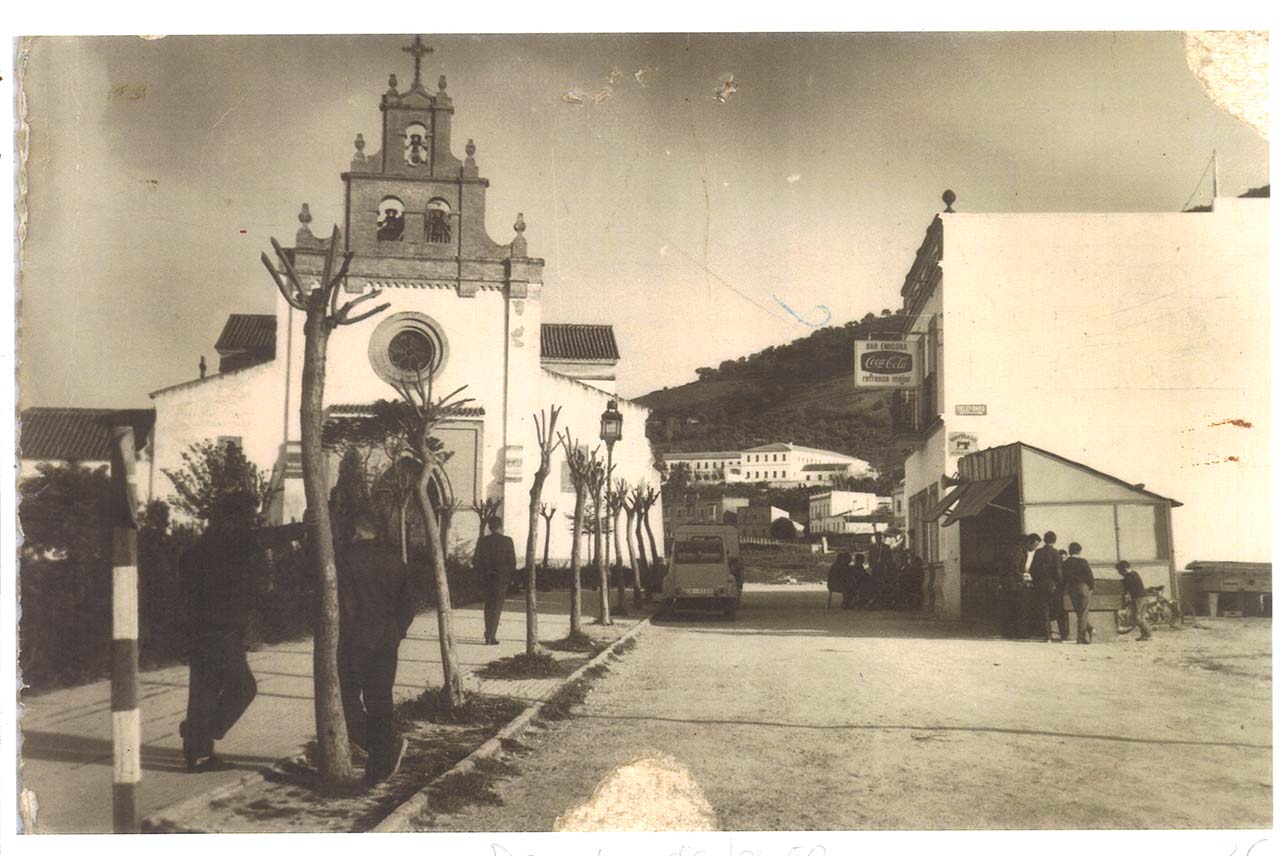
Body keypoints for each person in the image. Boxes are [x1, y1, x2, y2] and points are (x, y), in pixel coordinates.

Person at [179, 491, 305, 773]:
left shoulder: (203, 544)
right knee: (243, 688)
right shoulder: (229, 539)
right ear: (234, 516)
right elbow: (263, 539)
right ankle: (197, 734)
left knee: (204, 691)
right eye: (247, 514)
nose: (251, 519)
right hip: (222, 630)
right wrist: (304, 528)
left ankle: (198, 755)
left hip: (199, 630)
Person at [337, 512, 413, 784]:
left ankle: (381, 751)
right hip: (386, 641)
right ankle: (377, 767)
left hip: (353, 640)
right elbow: (408, 607)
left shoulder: (344, 560)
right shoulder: (395, 562)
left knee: (345, 698)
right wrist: (396, 632)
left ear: (356, 531)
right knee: (380, 700)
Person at [474, 516, 517, 645]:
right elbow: (512, 562)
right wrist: (511, 578)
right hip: (501, 579)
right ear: (500, 527)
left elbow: (475, 561)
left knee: (488, 606)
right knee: (497, 607)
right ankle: (491, 635)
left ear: (489, 527)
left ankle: (488, 633)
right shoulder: (507, 541)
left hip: (487, 579)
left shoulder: (482, 541)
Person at [1029, 530, 1065, 642]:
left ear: (1044, 540)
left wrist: (1036, 581)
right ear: (1055, 540)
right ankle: (1063, 636)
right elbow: (1058, 571)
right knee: (1059, 610)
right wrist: (1059, 583)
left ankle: (1047, 636)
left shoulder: (1038, 552)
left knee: (1045, 610)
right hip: (1053, 585)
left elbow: (1032, 569)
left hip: (1040, 585)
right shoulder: (1056, 553)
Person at [1002, 534, 1040, 638]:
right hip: (1013, 584)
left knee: (1013, 608)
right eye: (1035, 545)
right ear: (1029, 543)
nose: (1035, 548)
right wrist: (1022, 579)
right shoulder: (1018, 551)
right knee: (1019, 608)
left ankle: (1010, 632)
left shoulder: (1019, 550)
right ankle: (1019, 633)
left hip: (1012, 582)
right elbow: (1014, 568)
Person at [1061, 542, 1095, 644]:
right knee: (1083, 612)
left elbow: (1064, 578)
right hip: (1083, 587)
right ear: (1079, 551)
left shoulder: (1066, 563)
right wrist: (1091, 587)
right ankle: (1081, 637)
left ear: (1069, 551)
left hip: (1072, 589)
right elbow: (1090, 575)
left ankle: (1090, 629)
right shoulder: (1083, 561)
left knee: (1079, 612)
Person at [1118, 560, 1153, 641]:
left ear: (1124, 569)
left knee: (1138, 617)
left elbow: (1127, 588)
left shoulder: (1129, 577)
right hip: (1142, 597)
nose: (1119, 573)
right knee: (1140, 617)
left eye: (1120, 571)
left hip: (1138, 598)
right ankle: (1144, 635)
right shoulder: (1135, 573)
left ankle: (1148, 634)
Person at [867, 532, 895, 609]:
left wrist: (885, 565)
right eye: (876, 537)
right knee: (874, 584)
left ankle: (882, 601)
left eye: (879, 537)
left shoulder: (886, 547)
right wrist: (871, 566)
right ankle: (875, 600)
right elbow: (869, 557)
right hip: (875, 569)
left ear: (881, 538)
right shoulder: (872, 547)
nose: (878, 539)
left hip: (883, 568)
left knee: (882, 584)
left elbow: (889, 559)